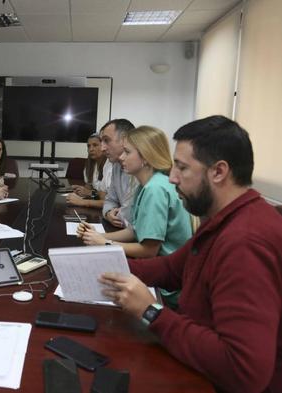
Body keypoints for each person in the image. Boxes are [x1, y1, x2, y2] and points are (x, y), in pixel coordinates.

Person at [98, 116, 282, 393]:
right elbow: (173, 268)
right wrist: (100, 265)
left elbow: (243, 370)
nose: (171, 177)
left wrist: (150, 311)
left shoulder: (246, 241)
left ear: (218, 172)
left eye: (182, 168)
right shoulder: (225, 217)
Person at [78, 126, 192, 308]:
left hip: (168, 288)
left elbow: (149, 250)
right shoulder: (145, 185)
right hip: (159, 273)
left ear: (146, 158)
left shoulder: (155, 189)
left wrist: (105, 244)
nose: (121, 157)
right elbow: (134, 230)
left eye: (127, 152)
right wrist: (98, 236)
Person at [100, 118, 138, 227]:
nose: (102, 148)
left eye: (107, 140)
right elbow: (110, 200)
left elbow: (131, 215)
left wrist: (118, 215)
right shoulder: (116, 166)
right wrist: (108, 213)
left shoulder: (141, 171)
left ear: (125, 139)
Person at [67, 132, 112, 208]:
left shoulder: (110, 166)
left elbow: (107, 199)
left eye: (95, 145)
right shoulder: (89, 166)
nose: (91, 149)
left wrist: (90, 193)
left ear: (103, 146)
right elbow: (89, 188)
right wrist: (81, 190)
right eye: (88, 146)